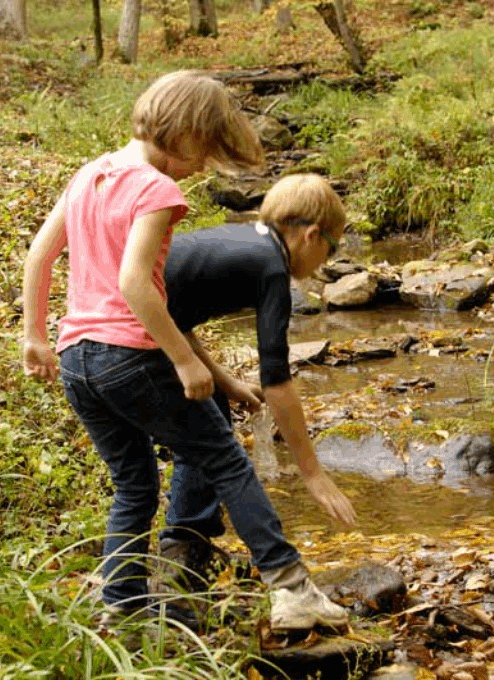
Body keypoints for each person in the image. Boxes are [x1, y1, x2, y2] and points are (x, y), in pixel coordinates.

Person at [21, 71, 348, 633]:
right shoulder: (155, 189)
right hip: (129, 354)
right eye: (205, 152)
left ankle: (120, 603)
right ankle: (291, 590)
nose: (201, 168)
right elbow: (134, 284)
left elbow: (40, 255)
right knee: (224, 460)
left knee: (134, 482)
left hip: (77, 358)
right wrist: (185, 360)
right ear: (186, 131)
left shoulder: (90, 174)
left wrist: (34, 336)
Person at [157, 175, 357, 624]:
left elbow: (176, 318)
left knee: (211, 415)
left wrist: (226, 382)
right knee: (223, 455)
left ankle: (183, 557)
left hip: (104, 341)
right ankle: (274, 585)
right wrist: (313, 473)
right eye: (333, 248)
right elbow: (278, 381)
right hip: (130, 346)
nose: (328, 259)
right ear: (310, 235)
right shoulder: (271, 266)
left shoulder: (239, 241)